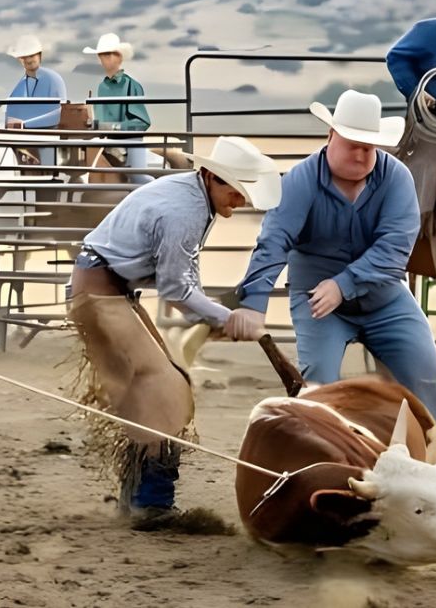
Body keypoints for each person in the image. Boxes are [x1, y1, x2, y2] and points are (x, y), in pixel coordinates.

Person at [225, 89, 436, 483]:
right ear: (330, 137)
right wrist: (253, 302)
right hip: (317, 301)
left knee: (424, 369)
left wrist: (343, 283)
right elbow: (274, 240)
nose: (361, 155)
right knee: (319, 382)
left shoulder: (397, 179)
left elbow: (394, 249)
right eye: (353, 145)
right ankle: (327, 466)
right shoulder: (300, 181)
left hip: (384, 299)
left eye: (369, 148)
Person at [67, 136, 280, 524]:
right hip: (101, 293)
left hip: (104, 287)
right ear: (212, 177)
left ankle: (139, 498)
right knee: (164, 387)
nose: (242, 200)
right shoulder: (185, 211)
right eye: (237, 191)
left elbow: (180, 284)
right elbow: (176, 289)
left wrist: (211, 315)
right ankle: (152, 502)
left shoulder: (193, 198)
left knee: (156, 384)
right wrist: (223, 317)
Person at [84, 33, 152, 183]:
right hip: (107, 140)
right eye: (102, 55)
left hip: (130, 140)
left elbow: (142, 123)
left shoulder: (131, 85)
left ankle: (160, 194)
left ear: (120, 57)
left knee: (138, 176)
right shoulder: (102, 87)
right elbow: (100, 119)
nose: (105, 58)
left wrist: (110, 127)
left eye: (110, 54)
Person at [3, 34, 67, 167]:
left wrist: (25, 124)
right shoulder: (19, 87)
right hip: (23, 143)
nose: (29, 60)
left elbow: (62, 113)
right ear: (20, 59)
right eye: (25, 57)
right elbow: (10, 115)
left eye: (32, 55)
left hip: (48, 139)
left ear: (40, 56)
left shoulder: (54, 79)